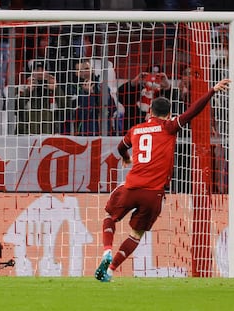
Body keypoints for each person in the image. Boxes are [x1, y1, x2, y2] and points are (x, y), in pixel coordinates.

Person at [94, 78, 230, 282]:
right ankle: (111, 270)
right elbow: (193, 111)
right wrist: (212, 91)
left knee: (109, 216)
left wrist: (126, 158)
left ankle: (106, 251)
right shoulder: (169, 127)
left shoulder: (136, 130)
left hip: (131, 186)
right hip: (153, 194)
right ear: (168, 114)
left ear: (150, 113)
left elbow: (121, 148)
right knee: (136, 234)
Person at [16, 59, 68, 135]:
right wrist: (28, 91)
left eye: (43, 69)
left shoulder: (55, 88)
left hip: (49, 135)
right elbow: (15, 109)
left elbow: (66, 109)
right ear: (31, 72)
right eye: (37, 69)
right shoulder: (22, 88)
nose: (40, 72)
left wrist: (56, 89)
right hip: (26, 135)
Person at [117, 65, 171, 134]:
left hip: (157, 135)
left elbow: (176, 105)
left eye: (157, 75)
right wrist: (134, 82)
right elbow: (121, 95)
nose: (153, 77)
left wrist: (167, 87)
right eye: (151, 73)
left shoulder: (164, 94)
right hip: (134, 133)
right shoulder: (136, 90)